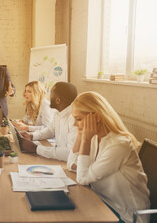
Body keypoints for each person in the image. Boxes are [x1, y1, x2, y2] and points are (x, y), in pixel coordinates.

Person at [68, 91, 150, 223]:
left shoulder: (118, 145)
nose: (74, 124)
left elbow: (82, 178)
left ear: (97, 118)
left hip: (127, 217)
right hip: (102, 203)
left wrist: (85, 140)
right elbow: (71, 165)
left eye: (78, 119)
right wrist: (80, 134)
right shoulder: (96, 137)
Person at [20, 82, 78, 162]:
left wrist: (36, 148)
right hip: (59, 159)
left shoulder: (75, 119)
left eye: (51, 93)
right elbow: (50, 131)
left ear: (58, 100)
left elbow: (70, 153)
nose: (48, 97)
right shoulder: (59, 113)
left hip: (66, 163)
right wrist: (31, 136)